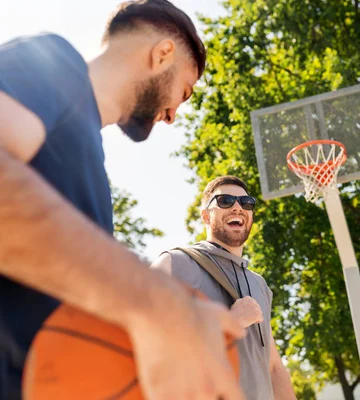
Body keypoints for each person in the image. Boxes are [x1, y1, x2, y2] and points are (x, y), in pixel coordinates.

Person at [0, 1, 245, 399]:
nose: (172, 116)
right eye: (183, 92)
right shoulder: (53, 64)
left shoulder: (88, 162)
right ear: (162, 54)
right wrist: (158, 304)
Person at [151, 176, 297, 400]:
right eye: (225, 200)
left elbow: (274, 366)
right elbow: (145, 343)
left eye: (246, 202)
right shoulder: (175, 263)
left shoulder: (259, 284)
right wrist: (230, 323)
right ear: (206, 216)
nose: (237, 206)